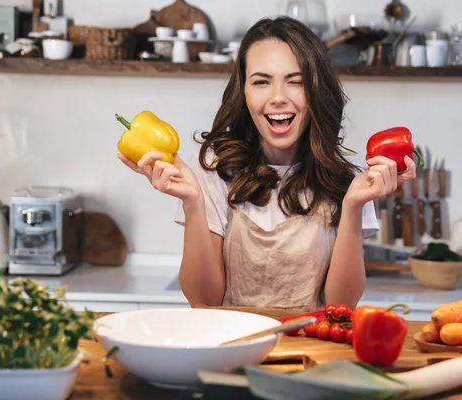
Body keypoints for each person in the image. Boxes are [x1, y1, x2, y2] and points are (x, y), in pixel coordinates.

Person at [119, 16, 416, 311]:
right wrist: (193, 203)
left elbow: (341, 306)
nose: (278, 98)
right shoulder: (214, 170)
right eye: (261, 82)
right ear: (244, 92)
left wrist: (353, 206)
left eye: (295, 82)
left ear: (316, 91)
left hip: (312, 351)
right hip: (230, 350)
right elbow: (203, 301)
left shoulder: (349, 181)